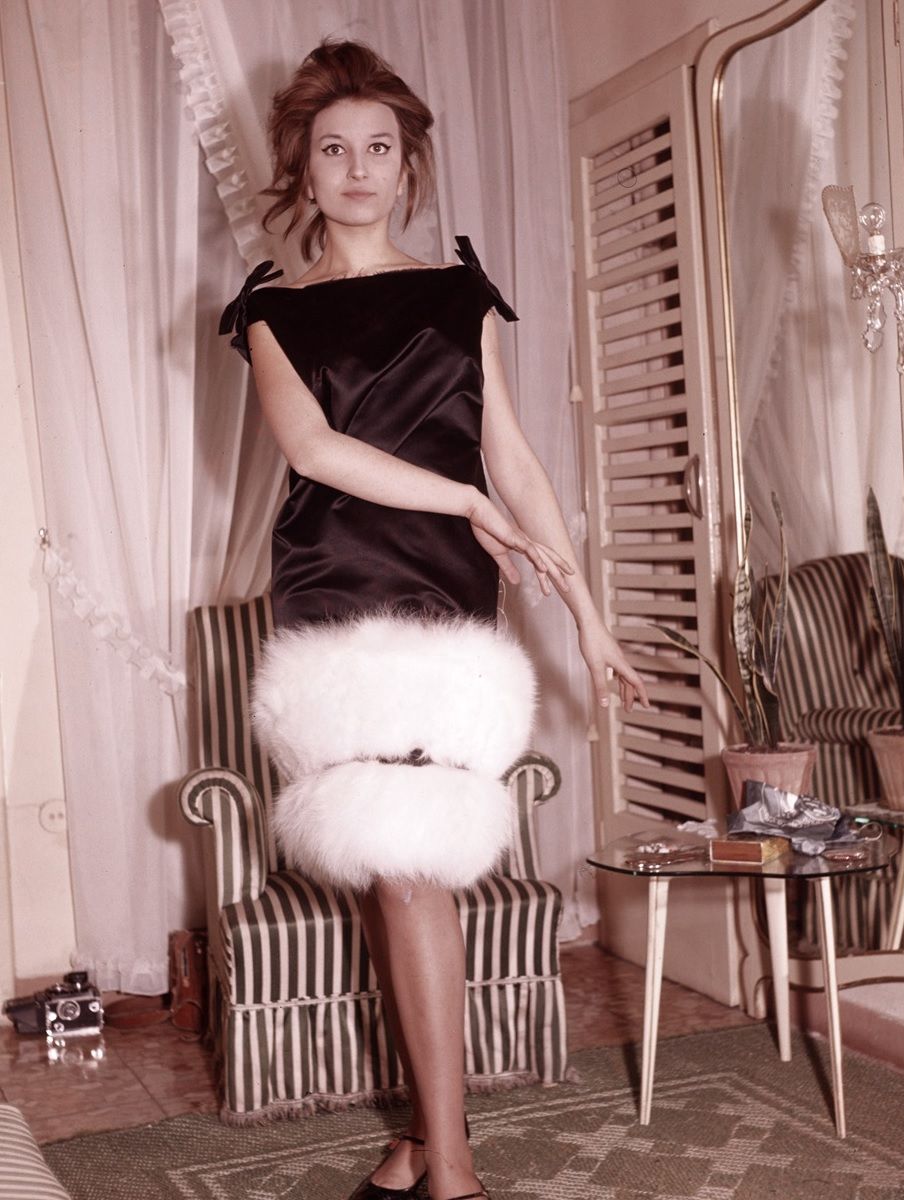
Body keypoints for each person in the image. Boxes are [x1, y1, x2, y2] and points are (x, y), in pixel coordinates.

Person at [220, 38, 648, 1200]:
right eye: (333, 150)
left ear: (407, 165)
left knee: (409, 868)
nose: (358, 169)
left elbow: (514, 459)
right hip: (339, 591)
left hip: (447, 599)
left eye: (379, 147)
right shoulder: (270, 311)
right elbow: (314, 450)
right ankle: (440, 1153)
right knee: (389, 868)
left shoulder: (460, 293)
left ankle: (434, 1155)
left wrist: (586, 612)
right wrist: (462, 500)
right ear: (304, 172)